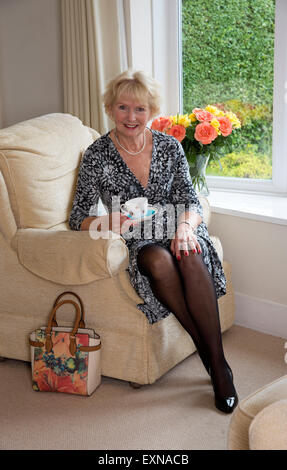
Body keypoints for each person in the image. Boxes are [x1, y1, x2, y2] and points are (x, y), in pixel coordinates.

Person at [69, 69, 238, 413]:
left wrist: (187, 229)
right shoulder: (96, 155)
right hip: (138, 239)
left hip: (179, 227)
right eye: (123, 108)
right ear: (110, 108)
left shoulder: (169, 146)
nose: (131, 117)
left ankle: (217, 367)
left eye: (140, 109)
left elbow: (190, 201)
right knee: (159, 261)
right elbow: (77, 217)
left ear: (151, 111)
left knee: (190, 255)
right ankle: (215, 359)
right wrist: (108, 220)